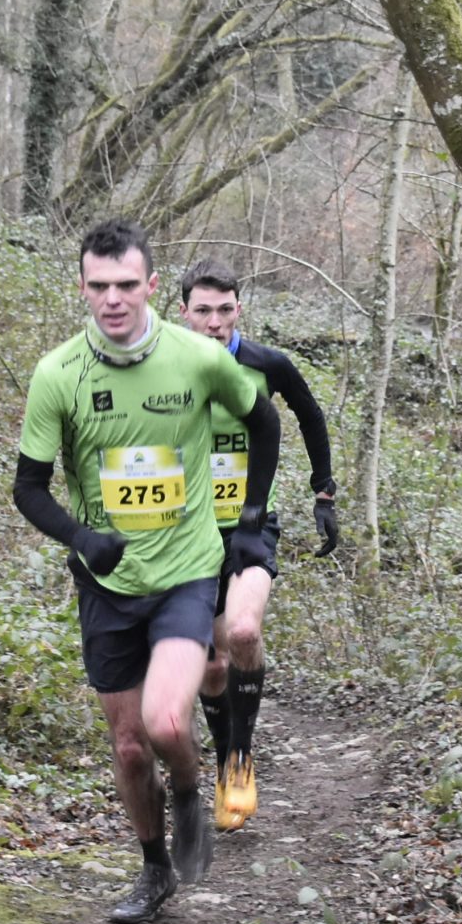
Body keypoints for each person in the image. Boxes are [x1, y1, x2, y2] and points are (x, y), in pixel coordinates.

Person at [13, 221, 282, 924]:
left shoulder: (198, 358)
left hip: (187, 572)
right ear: (81, 288)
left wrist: (250, 512)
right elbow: (28, 488)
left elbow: (266, 423)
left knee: (166, 721)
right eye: (99, 286)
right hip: (106, 585)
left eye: (127, 285)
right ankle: (154, 868)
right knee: (131, 746)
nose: (113, 299)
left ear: (153, 287)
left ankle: (190, 789)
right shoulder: (58, 374)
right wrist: (80, 536)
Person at [174, 257, 337, 833]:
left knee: (243, 633)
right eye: (203, 311)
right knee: (211, 664)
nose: (214, 322)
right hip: (185, 534)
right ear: (183, 312)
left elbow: (310, 417)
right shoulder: (165, 368)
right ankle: (224, 761)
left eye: (225, 310)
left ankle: (241, 759)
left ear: (239, 309)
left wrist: (324, 492)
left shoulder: (267, 364)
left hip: (249, 526)